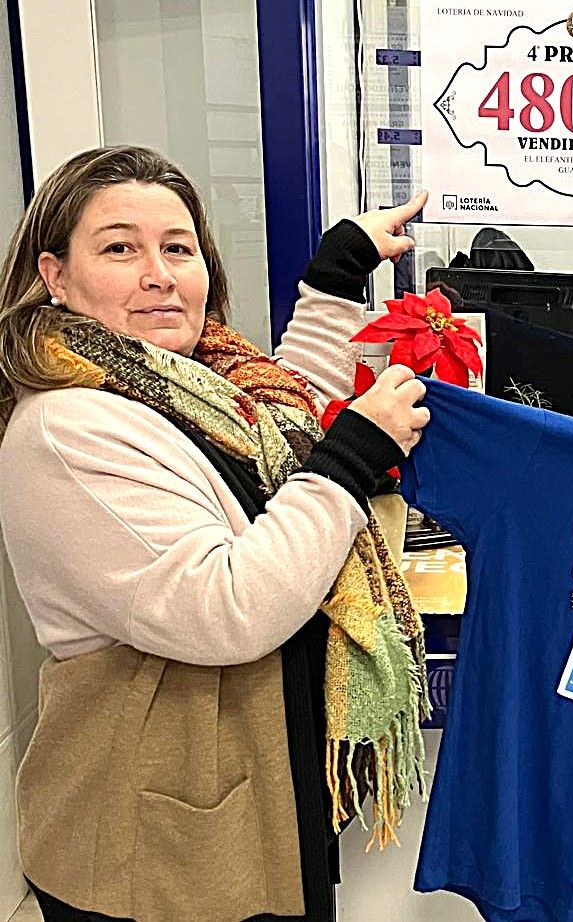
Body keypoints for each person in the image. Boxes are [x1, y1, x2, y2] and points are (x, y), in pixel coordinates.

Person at [0, 146, 433, 922]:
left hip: (245, 785)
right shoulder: (66, 427)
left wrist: (337, 274)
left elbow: (284, 420)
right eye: (119, 248)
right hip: (152, 841)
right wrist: (353, 459)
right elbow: (228, 607)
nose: (158, 273)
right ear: (56, 276)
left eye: (177, 247)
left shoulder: (193, 382)